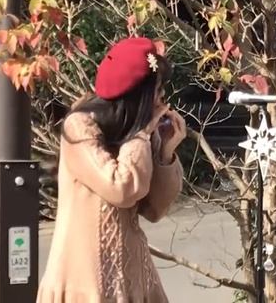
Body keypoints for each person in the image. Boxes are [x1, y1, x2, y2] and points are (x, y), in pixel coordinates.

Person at [38, 37, 186, 303]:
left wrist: (166, 152)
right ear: (138, 95)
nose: (162, 99)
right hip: (84, 282)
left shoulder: (138, 133)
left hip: (134, 279)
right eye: (157, 90)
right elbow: (121, 188)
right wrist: (141, 135)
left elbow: (153, 209)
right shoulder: (80, 126)